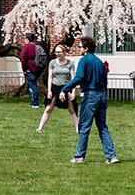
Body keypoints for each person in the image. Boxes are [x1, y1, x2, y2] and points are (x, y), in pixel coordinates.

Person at [61, 35, 118, 164]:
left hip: (91, 95)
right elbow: (104, 80)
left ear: (86, 48)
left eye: (80, 46)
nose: (78, 48)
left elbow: (79, 77)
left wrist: (65, 89)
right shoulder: (99, 61)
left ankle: (79, 156)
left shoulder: (84, 60)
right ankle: (112, 156)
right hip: (102, 95)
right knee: (102, 127)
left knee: (84, 126)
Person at [36, 43, 79, 133]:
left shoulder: (70, 63)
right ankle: (40, 128)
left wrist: (73, 92)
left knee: (71, 109)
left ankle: (78, 130)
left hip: (67, 87)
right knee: (48, 108)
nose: (57, 54)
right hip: (55, 87)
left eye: (59, 52)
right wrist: (49, 91)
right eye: (56, 52)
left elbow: (73, 78)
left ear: (64, 53)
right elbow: (50, 77)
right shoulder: (52, 63)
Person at [19, 31, 43, 108]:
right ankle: (34, 102)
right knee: (34, 84)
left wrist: (24, 68)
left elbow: (23, 59)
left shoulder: (26, 47)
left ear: (27, 39)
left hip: (30, 68)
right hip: (38, 68)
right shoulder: (38, 46)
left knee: (32, 85)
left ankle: (35, 103)